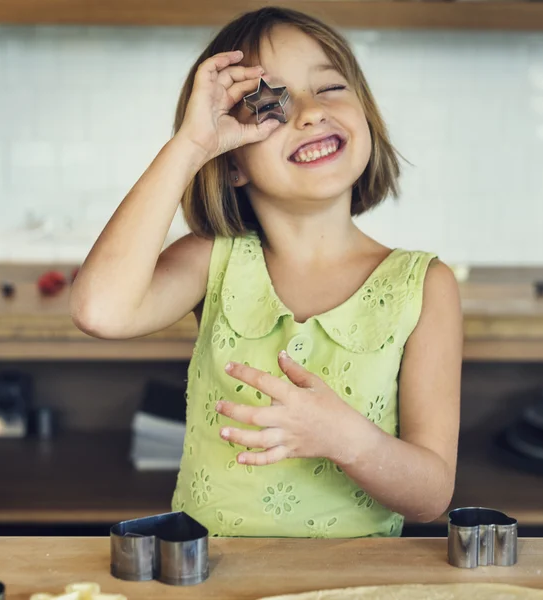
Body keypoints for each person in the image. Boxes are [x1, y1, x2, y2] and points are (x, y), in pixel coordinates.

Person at [70, 6, 462, 539]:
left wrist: (347, 439)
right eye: (269, 105)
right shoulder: (213, 257)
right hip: (211, 579)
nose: (307, 113)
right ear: (231, 159)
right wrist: (189, 148)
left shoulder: (423, 287)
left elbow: (431, 497)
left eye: (328, 89)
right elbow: (99, 311)